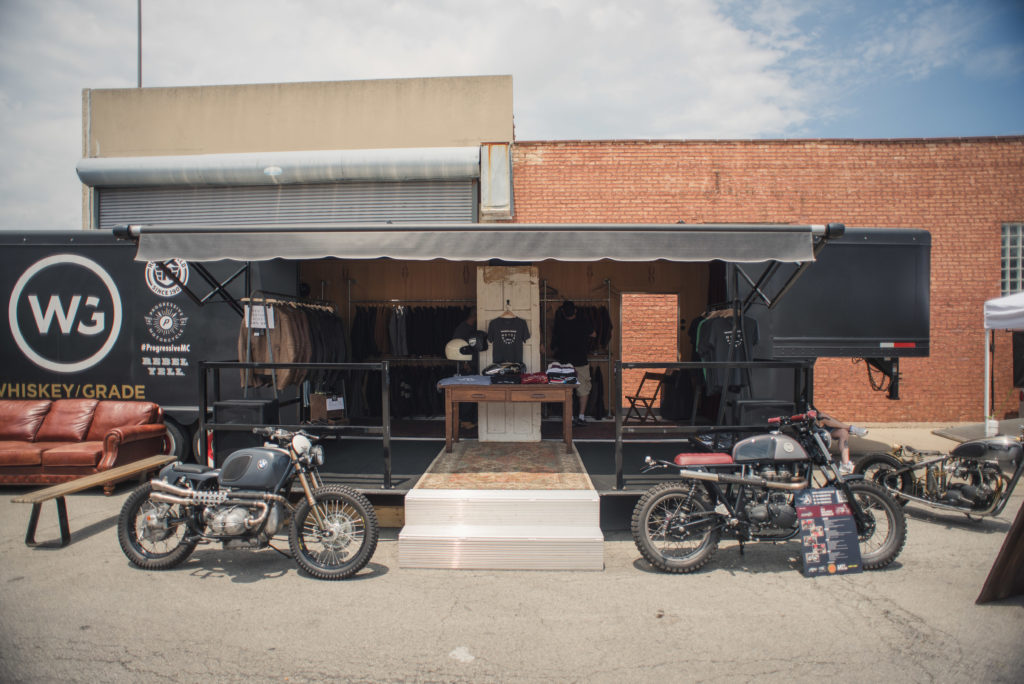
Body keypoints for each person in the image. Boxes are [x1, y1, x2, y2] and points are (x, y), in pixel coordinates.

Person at [551, 300, 597, 426]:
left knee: (567, 390)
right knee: (583, 389)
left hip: (564, 362)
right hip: (581, 360)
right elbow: (594, 334)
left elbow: (554, 343)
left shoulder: (559, 324)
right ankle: (581, 416)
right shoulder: (583, 322)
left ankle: (569, 417)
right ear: (575, 310)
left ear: (563, 311)